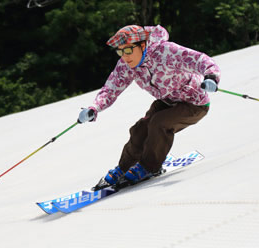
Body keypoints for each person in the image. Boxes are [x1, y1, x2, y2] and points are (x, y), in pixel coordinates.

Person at [78, 25, 221, 186]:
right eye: (120, 51)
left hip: (194, 102)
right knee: (140, 129)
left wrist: (211, 77)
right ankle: (125, 167)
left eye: (129, 50)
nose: (125, 57)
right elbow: (111, 88)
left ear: (143, 45)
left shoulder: (165, 52)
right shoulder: (126, 65)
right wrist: (94, 108)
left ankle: (149, 166)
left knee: (159, 123)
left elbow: (200, 59)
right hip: (167, 101)